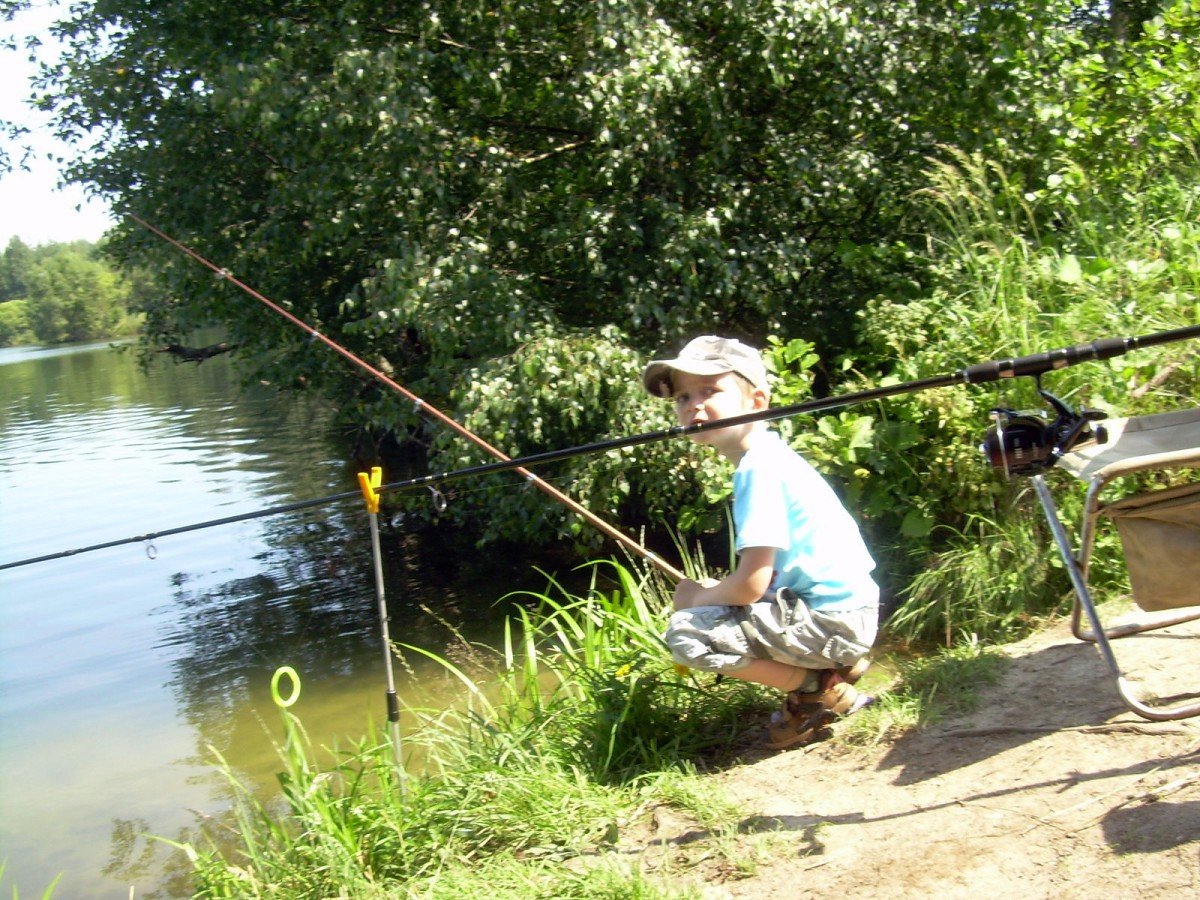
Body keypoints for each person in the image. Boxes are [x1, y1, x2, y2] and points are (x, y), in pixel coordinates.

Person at [642, 335, 879, 749]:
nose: (694, 406)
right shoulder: (773, 456)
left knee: (686, 633)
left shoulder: (757, 470)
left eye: (710, 391)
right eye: (683, 397)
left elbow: (751, 585)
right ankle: (832, 669)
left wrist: (695, 598)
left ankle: (815, 686)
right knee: (715, 599)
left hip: (834, 623)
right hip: (849, 612)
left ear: (756, 401)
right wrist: (712, 593)